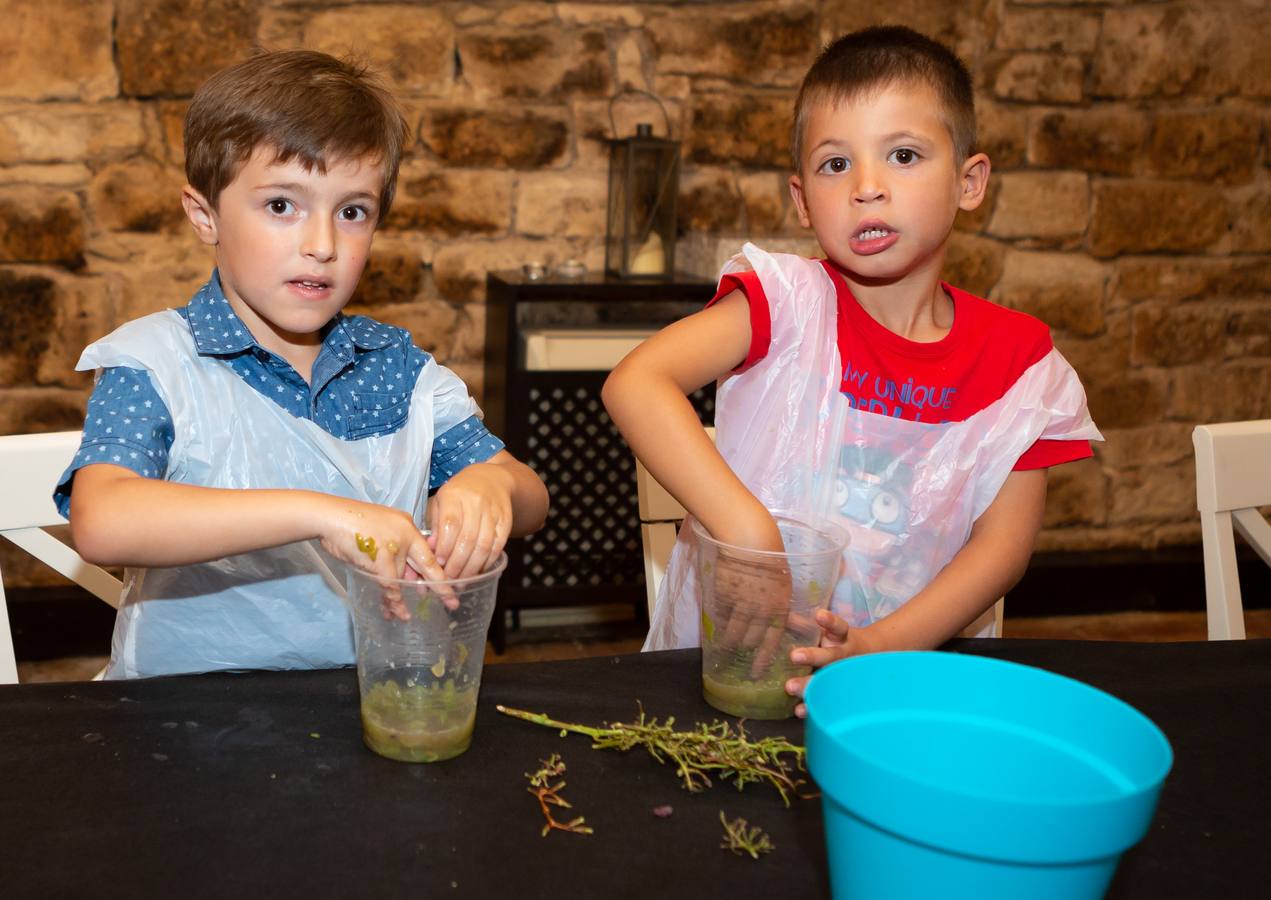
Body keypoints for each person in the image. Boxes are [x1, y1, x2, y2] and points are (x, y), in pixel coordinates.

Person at [603, 26, 1100, 713]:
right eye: (835, 165)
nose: (866, 188)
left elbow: (1001, 550)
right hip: (717, 677)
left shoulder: (1020, 365)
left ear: (968, 181)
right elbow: (635, 383)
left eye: (901, 155)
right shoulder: (783, 304)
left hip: (902, 686)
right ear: (802, 199)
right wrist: (747, 536)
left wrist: (877, 647)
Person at [55, 50, 549, 679]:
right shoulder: (154, 364)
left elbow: (531, 499)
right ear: (205, 214)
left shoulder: (397, 369)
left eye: (352, 212)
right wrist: (321, 514)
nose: (322, 245)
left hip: (369, 698)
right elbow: (102, 521)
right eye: (282, 206)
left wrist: (491, 485)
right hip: (181, 718)